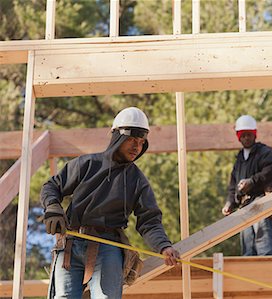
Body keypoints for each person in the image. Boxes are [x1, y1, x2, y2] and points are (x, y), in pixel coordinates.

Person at [40, 107, 180, 298]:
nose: (136, 147)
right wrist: (53, 207)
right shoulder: (86, 164)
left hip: (107, 247)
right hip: (71, 244)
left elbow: (149, 221)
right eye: (131, 139)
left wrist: (164, 246)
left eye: (141, 142)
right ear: (116, 137)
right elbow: (51, 186)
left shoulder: (137, 180)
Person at [222, 115, 272, 256]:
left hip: (262, 200)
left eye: (249, 135)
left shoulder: (265, 152)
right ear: (239, 137)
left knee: (263, 242)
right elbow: (233, 184)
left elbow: (271, 170)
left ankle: (268, 268)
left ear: (254, 135)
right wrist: (230, 202)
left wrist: (252, 182)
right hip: (245, 205)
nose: (246, 138)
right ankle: (248, 271)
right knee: (247, 244)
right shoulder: (239, 159)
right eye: (243, 136)